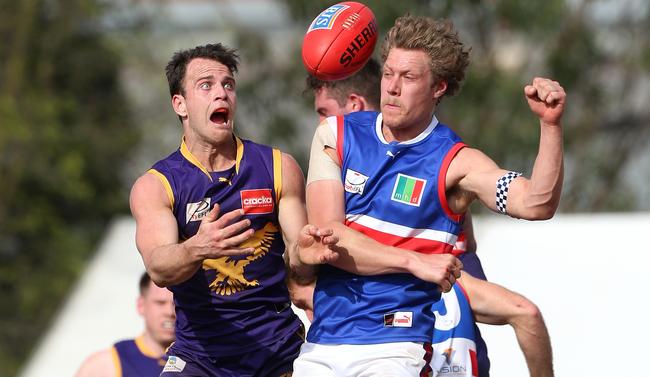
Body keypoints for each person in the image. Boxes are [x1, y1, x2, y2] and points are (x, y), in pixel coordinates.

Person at [294, 14, 563, 377]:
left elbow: (536, 203)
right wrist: (413, 261)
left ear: (438, 87)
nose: (392, 87)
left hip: (395, 349)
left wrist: (549, 125)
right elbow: (330, 235)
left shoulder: (456, 162)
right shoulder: (335, 134)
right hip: (323, 342)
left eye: (408, 77)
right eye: (389, 74)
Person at [129, 43, 335, 376]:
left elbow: (301, 264)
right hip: (200, 357)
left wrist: (306, 253)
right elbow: (159, 268)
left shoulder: (278, 167)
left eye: (228, 84)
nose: (221, 94)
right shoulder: (156, 185)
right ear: (179, 104)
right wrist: (198, 246)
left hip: (277, 353)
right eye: (206, 85)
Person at [74, 272, 175, 377]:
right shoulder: (104, 366)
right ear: (141, 305)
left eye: (176, 304)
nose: (170, 312)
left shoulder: (192, 362)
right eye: (160, 303)